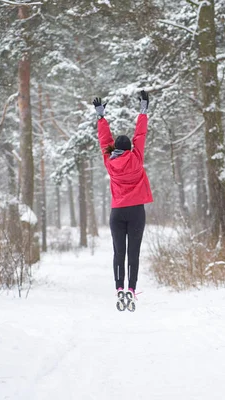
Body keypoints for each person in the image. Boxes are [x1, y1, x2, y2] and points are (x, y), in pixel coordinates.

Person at [93, 91, 153, 312]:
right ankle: (131, 288)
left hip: (117, 212)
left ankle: (119, 288)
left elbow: (104, 141)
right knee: (133, 252)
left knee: (119, 251)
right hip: (136, 211)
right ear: (130, 149)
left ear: (115, 150)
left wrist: (101, 117)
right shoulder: (136, 158)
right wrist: (143, 111)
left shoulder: (110, 161)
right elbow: (140, 136)